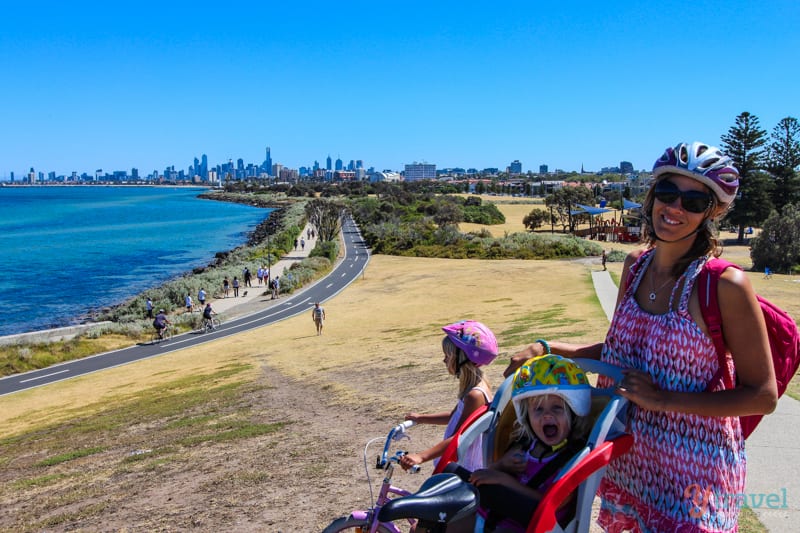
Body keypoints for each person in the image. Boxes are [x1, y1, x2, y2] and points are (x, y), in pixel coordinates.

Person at [504, 142, 777, 532]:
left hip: (695, 478)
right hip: (627, 466)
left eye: (694, 200)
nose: (675, 208)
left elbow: (762, 396)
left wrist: (663, 399)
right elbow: (623, 353)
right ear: (651, 197)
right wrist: (549, 348)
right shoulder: (634, 266)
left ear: (713, 211)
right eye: (667, 194)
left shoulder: (724, 285)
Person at [446, 355, 593, 532]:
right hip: (492, 517)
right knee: (449, 479)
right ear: (527, 416)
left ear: (574, 411)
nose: (547, 415)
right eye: (538, 409)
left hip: (529, 526)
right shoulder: (523, 446)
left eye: (557, 408)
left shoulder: (573, 458)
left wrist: (504, 480)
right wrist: (500, 466)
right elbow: (486, 475)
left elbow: (555, 503)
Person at [400, 320, 498, 472]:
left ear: (461, 358)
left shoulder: (475, 395)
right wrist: (421, 418)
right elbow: (454, 416)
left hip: (464, 468)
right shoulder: (473, 388)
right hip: (461, 463)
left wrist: (421, 456)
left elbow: (459, 438)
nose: (444, 360)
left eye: (448, 355)